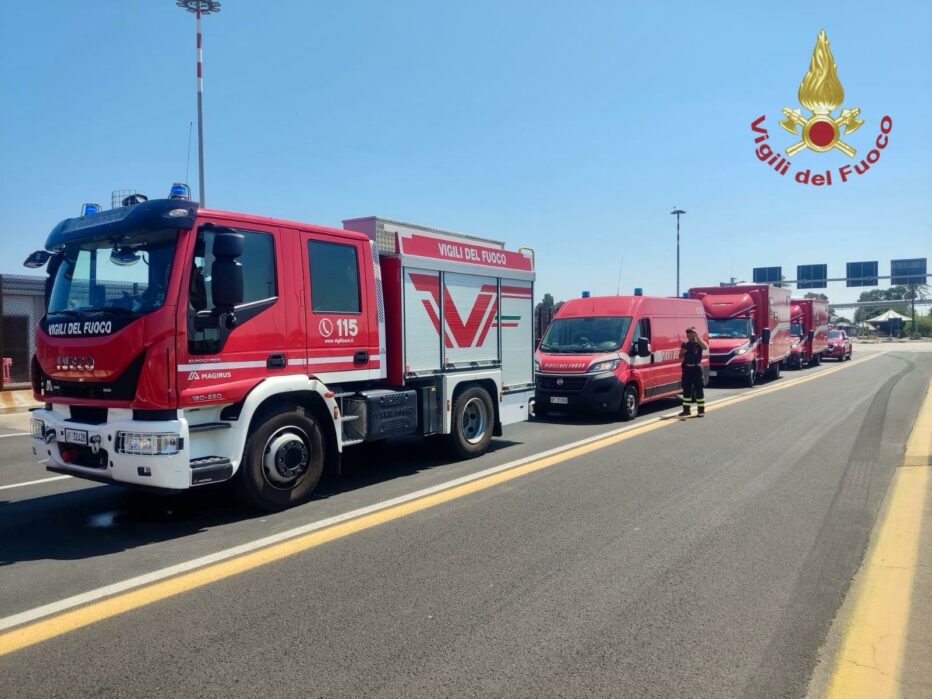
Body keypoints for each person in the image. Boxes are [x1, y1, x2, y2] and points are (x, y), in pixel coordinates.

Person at [679, 326, 708, 417]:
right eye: (688, 333)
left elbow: (705, 347)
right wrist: (682, 353)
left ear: (695, 333)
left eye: (691, 333)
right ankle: (686, 410)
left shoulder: (698, 343)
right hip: (687, 369)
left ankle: (701, 410)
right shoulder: (685, 344)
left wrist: (698, 337)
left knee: (698, 389)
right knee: (686, 390)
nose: (690, 334)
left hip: (696, 369)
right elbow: (680, 357)